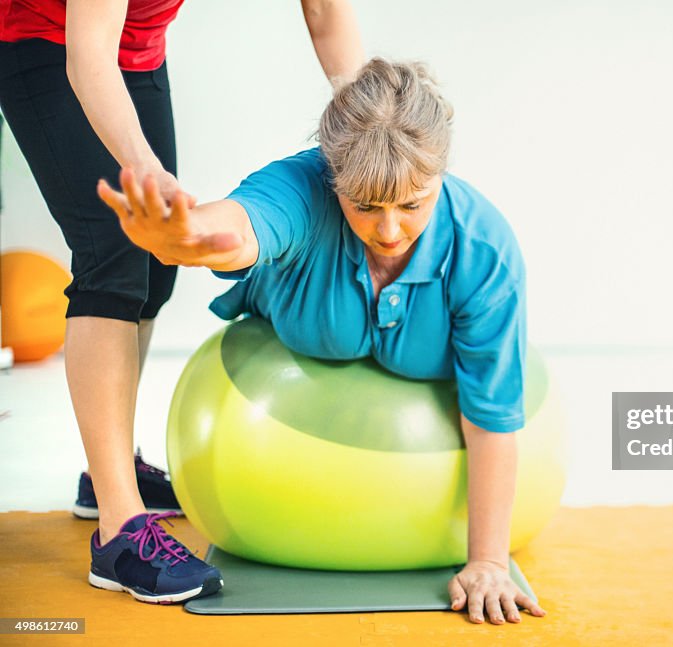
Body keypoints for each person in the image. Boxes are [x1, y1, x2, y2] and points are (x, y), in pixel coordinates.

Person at [98, 58, 547, 625]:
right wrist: (186, 238)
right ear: (332, 179)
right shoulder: (304, 185)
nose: (389, 232)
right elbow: (239, 228)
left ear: (441, 174)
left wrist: (487, 559)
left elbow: (490, 414)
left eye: (412, 205)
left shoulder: (484, 252)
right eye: (365, 206)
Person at [0, 0, 363, 604]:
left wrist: (372, 127)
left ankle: (108, 473)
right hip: (46, 41)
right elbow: (88, 57)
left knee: (155, 264)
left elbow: (324, 9)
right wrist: (144, 169)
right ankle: (119, 533)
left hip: (138, 46)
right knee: (114, 251)